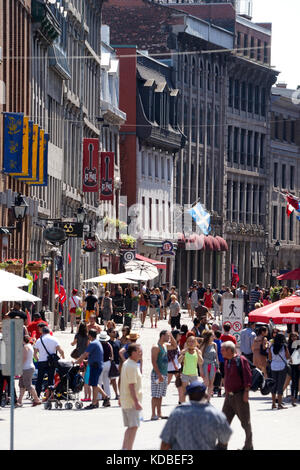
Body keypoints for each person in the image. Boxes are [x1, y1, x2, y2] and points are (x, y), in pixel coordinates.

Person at [160, 380, 232, 450]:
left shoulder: (177, 413)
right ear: (205, 394)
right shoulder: (216, 415)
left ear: (189, 395)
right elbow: (225, 438)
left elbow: (165, 443)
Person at [220, 341, 253, 450]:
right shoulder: (227, 361)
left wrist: (246, 393)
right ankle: (221, 445)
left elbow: (247, 377)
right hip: (229, 397)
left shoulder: (241, 360)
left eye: (223, 350)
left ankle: (248, 446)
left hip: (240, 396)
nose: (221, 352)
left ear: (230, 350)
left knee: (245, 423)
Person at [73, 329, 109, 409]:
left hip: (95, 366)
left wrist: (77, 362)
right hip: (97, 364)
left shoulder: (93, 344)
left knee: (94, 384)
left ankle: (94, 402)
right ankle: (105, 397)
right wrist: (86, 361)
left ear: (89, 335)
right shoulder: (97, 343)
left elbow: (85, 354)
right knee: (94, 383)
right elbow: (95, 355)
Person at [120, 343, 143, 450]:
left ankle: (125, 448)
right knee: (134, 427)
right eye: (139, 351)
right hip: (131, 402)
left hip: (127, 400)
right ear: (133, 353)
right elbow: (131, 386)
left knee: (131, 427)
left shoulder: (127, 363)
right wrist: (136, 401)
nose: (141, 353)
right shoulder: (131, 366)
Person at [151, 330, 177, 420]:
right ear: (162, 336)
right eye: (167, 336)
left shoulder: (165, 346)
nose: (169, 337)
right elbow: (153, 362)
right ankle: (153, 414)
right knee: (155, 395)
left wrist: (171, 336)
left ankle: (159, 413)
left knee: (161, 394)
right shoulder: (156, 347)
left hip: (164, 373)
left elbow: (175, 346)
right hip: (157, 374)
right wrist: (159, 374)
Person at [33, 326, 65, 398]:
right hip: (51, 362)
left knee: (39, 379)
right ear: (49, 332)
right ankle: (50, 396)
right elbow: (61, 351)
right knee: (51, 379)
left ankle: (37, 396)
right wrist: (63, 357)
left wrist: (38, 359)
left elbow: (35, 354)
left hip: (42, 362)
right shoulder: (54, 339)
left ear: (43, 332)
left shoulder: (39, 340)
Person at [17, 335, 41, 407]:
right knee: (21, 384)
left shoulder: (25, 347)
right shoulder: (29, 345)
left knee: (28, 385)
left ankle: (37, 399)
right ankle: (19, 401)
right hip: (27, 367)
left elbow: (24, 358)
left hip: (26, 368)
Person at [178, 335, 203, 402]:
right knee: (184, 392)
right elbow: (179, 361)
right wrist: (183, 354)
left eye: (192, 341)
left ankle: (193, 407)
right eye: (189, 341)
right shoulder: (184, 351)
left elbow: (201, 362)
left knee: (194, 393)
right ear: (187, 343)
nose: (191, 343)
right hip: (185, 374)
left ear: (195, 343)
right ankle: (184, 407)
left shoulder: (198, 351)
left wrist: (198, 353)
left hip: (194, 374)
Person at [269, 332, 290, 410]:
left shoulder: (271, 347)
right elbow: (287, 357)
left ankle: (273, 404)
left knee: (274, 385)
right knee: (280, 386)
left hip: (273, 367)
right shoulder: (284, 347)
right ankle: (280, 405)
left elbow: (270, 358)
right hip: (282, 367)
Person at [200, 330, 219, 400]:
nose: (214, 336)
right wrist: (200, 369)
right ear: (209, 337)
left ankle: (208, 399)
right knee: (206, 382)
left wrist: (218, 366)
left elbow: (216, 356)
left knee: (211, 383)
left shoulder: (214, 345)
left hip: (213, 364)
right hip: (205, 364)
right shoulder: (204, 345)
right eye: (212, 335)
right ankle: (201, 395)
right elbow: (200, 358)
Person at [167, 330, 184, 404]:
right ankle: (158, 396)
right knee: (167, 382)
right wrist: (175, 365)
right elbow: (170, 356)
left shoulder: (177, 344)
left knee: (179, 384)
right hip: (172, 367)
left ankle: (181, 400)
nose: (180, 336)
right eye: (179, 335)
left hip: (175, 367)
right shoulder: (171, 344)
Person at [97, 331, 113, 406]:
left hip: (101, 363)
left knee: (99, 381)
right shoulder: (109, 345)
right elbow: (111, 355)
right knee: (106, 381)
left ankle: (99, 396)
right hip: (107, 363)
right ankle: (108, 395)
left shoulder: (98, 345)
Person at [108, 327, 121, 400]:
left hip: (119, 362)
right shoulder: (108, 342)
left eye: (115, 332)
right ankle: (116, 394)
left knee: (120, 379)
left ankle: (120, 393)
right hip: (112, 363)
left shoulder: (118, 342)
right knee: (113, 380)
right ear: (109, 333)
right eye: (113, 332)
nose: (115, 333)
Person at [288, 332, 300, 406]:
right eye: (292, 336)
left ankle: (295, 396)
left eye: (295, 336)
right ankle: (293, 397)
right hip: (292, 365)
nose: (294, 338)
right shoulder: (289, 345)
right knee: (293, 381)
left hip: (298, 364)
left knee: (297, 381)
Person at [214, 330, 224, 397]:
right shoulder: (222, 342)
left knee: (214, 374)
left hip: (215, 359)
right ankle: (220, 390)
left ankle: (213, 388)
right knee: (221, 375)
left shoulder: (213, 342)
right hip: (222, 359)